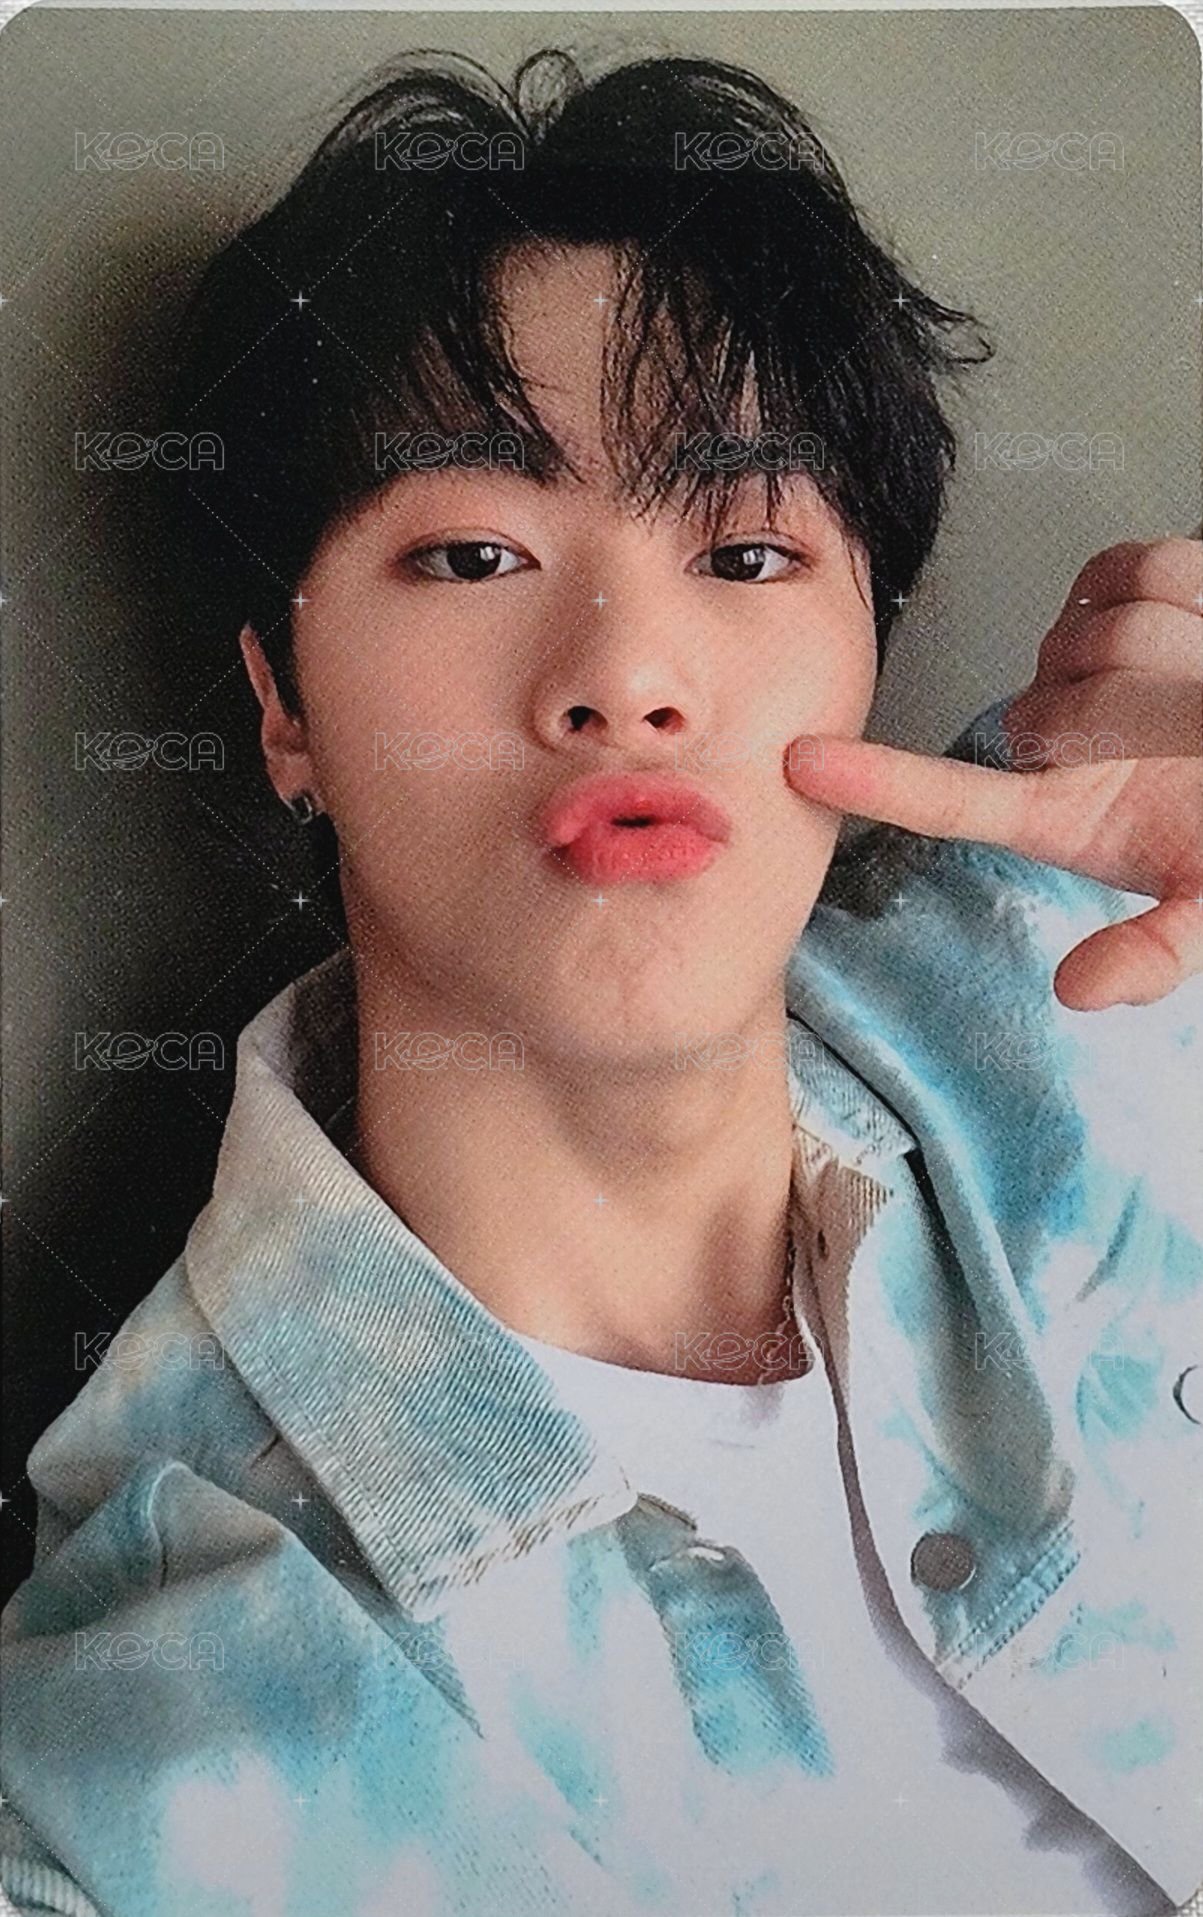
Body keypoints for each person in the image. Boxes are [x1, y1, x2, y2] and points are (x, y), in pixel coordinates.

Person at [1, 46, 1200, 1917]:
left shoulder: (1107, 978)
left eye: (747, 550)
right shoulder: (170, 1740)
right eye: (473, 552)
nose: (629, 673)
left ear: (867, 656)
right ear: (282, 707)